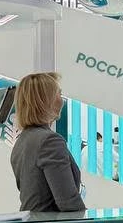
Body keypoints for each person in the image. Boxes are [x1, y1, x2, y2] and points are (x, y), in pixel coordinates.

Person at [10, 72, 86, 213]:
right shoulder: (50, 141)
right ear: (46, 101)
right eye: (59, 94)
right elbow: (69, 203)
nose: (62, 100)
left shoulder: (23, 140)